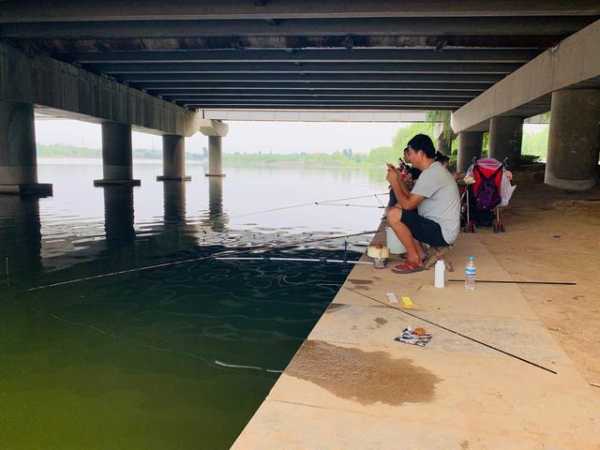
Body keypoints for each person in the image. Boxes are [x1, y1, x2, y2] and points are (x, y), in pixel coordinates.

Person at [386, 134, 460, 273]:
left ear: (420, 153)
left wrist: (394, 182)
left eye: (410, 153)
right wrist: (398, 178)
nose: (408, 157)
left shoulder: (431, 174)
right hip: (438, 226)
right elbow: (410, 198)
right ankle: (420, 253)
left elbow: (408, 205)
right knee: (398, 208)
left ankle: (414, 259)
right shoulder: (432, 171)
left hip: (442, 232)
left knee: (394, 214)